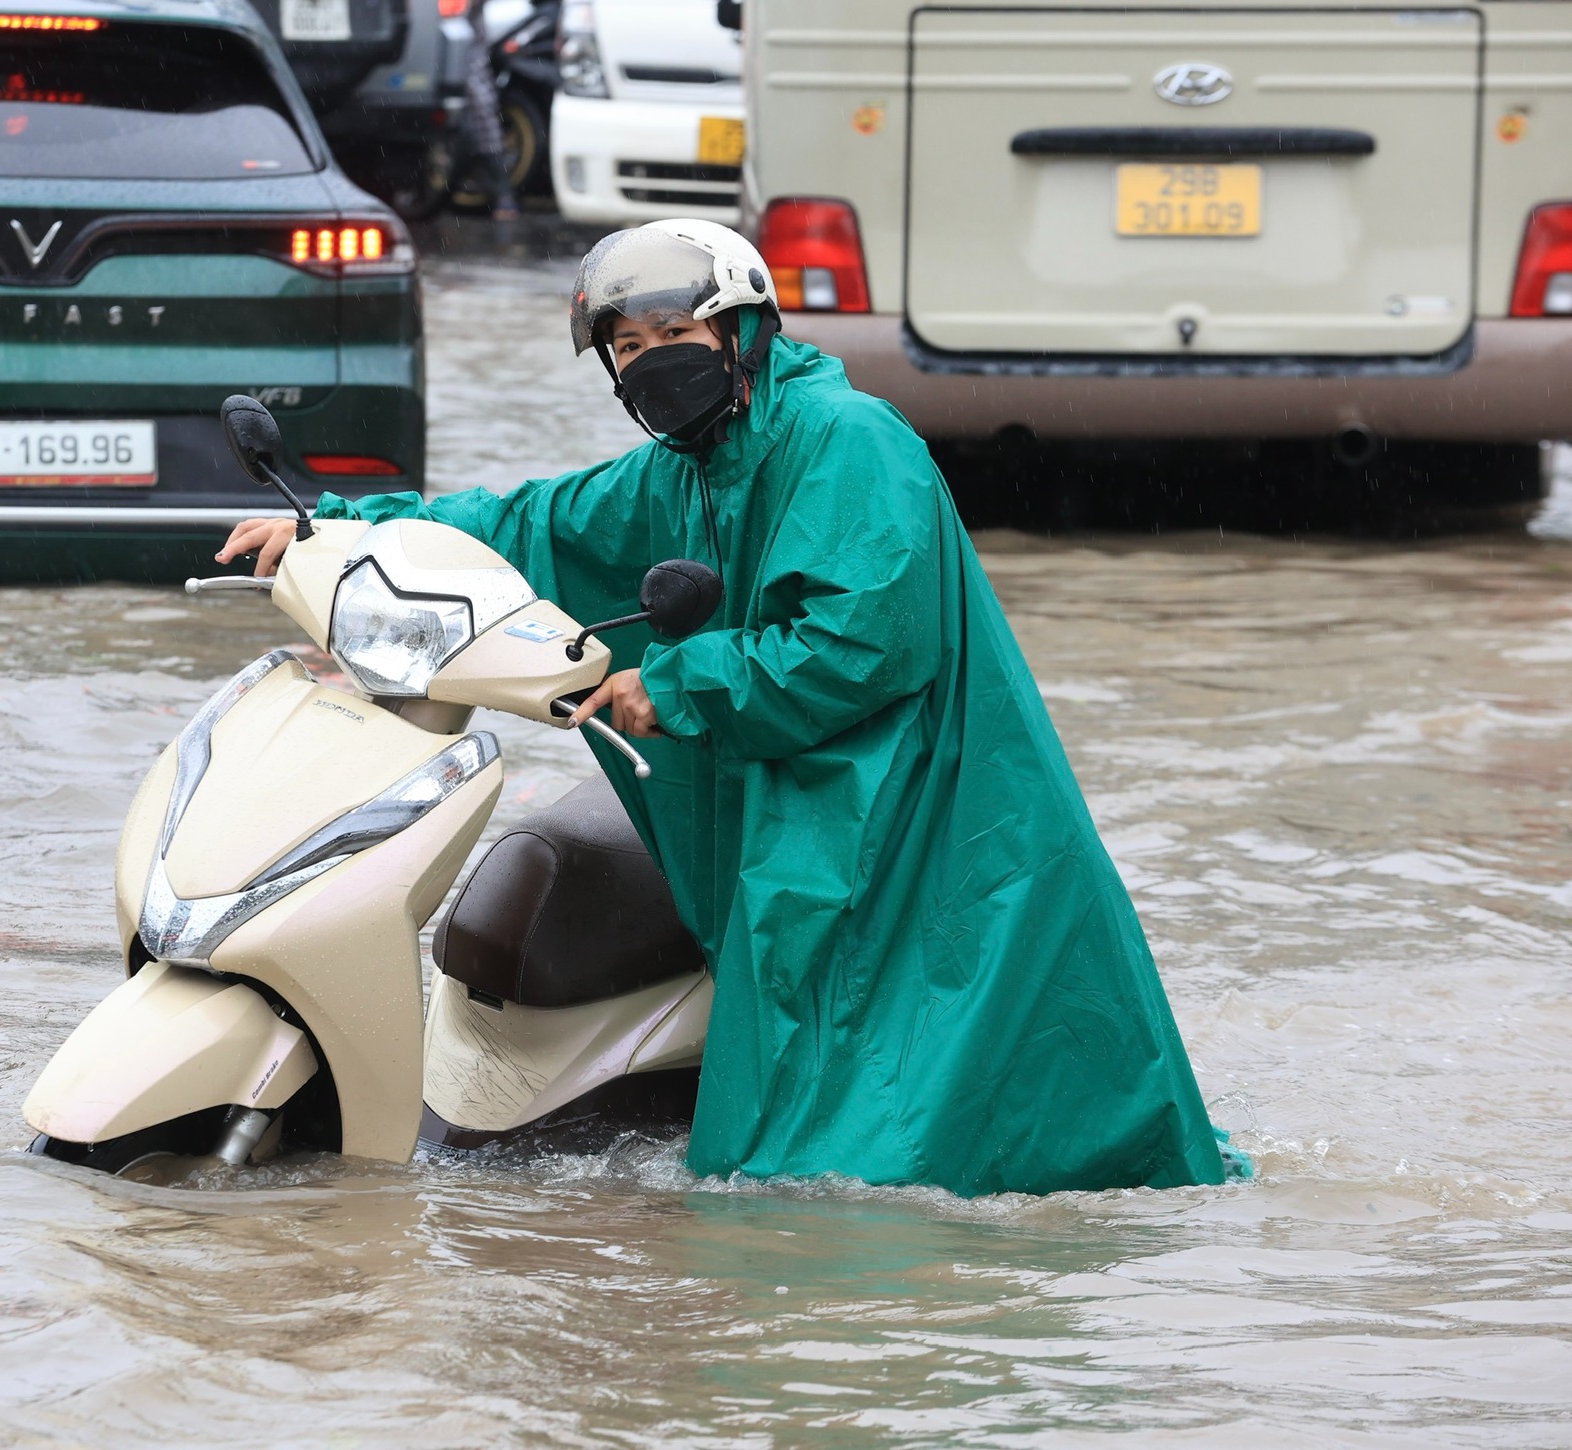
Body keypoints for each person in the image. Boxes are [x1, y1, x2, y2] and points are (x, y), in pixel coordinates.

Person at [218, 221, 1245, 1196]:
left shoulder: (846, 439)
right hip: (800, 810)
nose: (651, 359)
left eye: (673, 333)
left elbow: (861, 643)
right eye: (626, 345)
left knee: (861, 1156)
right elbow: (531, 525)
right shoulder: (682, 469)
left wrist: (672, 682)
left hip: (911, 804)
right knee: (796, 1130)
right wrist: (344, 530)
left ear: (738, 331)